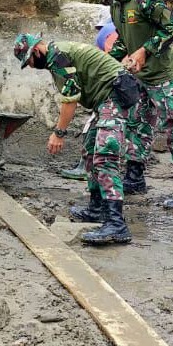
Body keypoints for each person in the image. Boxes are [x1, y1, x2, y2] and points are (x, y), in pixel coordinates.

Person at [90, 0, 173, 210]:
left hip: (163, 76)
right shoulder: (116, 6)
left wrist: (145, 51)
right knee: (137, 126)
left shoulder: (145, 0)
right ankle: (135, 177)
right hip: (139, 78)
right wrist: (105, 61)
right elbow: (123, 41)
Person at [13, 32, 139, 245]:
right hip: (105, 100)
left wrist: (58, 133)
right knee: (89, 150)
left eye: (30, 62)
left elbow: (70, 100)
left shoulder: (58, 57)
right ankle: (96, 208)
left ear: (35, 51)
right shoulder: (58, 53)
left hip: (116, 95)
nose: (32, 67)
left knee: (105, 157)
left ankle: (117, 225)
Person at [61, 10, 119, 182]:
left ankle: (85, 168)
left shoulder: (107, 32)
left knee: (94, 129)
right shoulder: (120, 32)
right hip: (121, 88)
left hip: (110, 90)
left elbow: (109, 61)